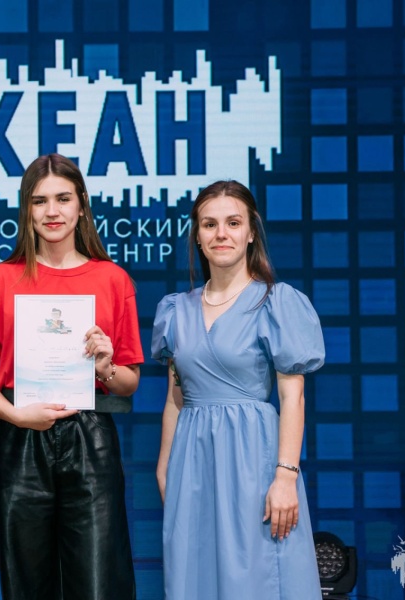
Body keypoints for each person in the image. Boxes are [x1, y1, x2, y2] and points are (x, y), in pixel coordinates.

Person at [0, 154, 142, 600]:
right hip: (18, 439)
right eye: (39, 201)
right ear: (27, 209)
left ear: (82, 205)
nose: (52, 211)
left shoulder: (112, 279)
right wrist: (16, 416)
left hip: (90, 438)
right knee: (25, 585)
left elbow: (129, 382)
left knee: (99, 584)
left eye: (63, 198)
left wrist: (104, 366)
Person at [152, 180, 324, 599]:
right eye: (209, 224)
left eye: (233, 223)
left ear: (251, 231)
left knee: (255, 577)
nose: (221, 234)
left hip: (253, 461)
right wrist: (165, 466)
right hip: (192, 462)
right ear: (197, 235)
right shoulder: (176, 311)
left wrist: (285, 476)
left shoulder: (276, 302)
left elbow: (293, 397)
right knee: (195, 576)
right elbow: (176, 397)